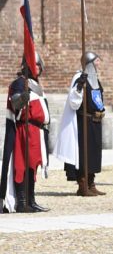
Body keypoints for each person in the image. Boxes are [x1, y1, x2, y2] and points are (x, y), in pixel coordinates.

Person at [1, 53, 50, 213]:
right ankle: (21, 202)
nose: (38, 68)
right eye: (36, 65)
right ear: (27, 66)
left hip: (36, 130)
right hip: (24, 129)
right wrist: (23, 97)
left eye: (39, 65)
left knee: (33, 165)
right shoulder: (19, 83)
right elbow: (15, 103)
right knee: (22, 165)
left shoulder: (35, 85)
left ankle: (31, 200)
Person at [55, 51, 107, 196]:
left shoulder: (95, 78)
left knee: (94, 154)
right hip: (84, 121)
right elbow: (73, 101)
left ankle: (91, 182)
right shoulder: (79, 77)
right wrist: (79, 86)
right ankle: (82, 184)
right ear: (89, 63)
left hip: (95, 121)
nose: (98, 64)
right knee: (84, 153)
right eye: (96, 61)